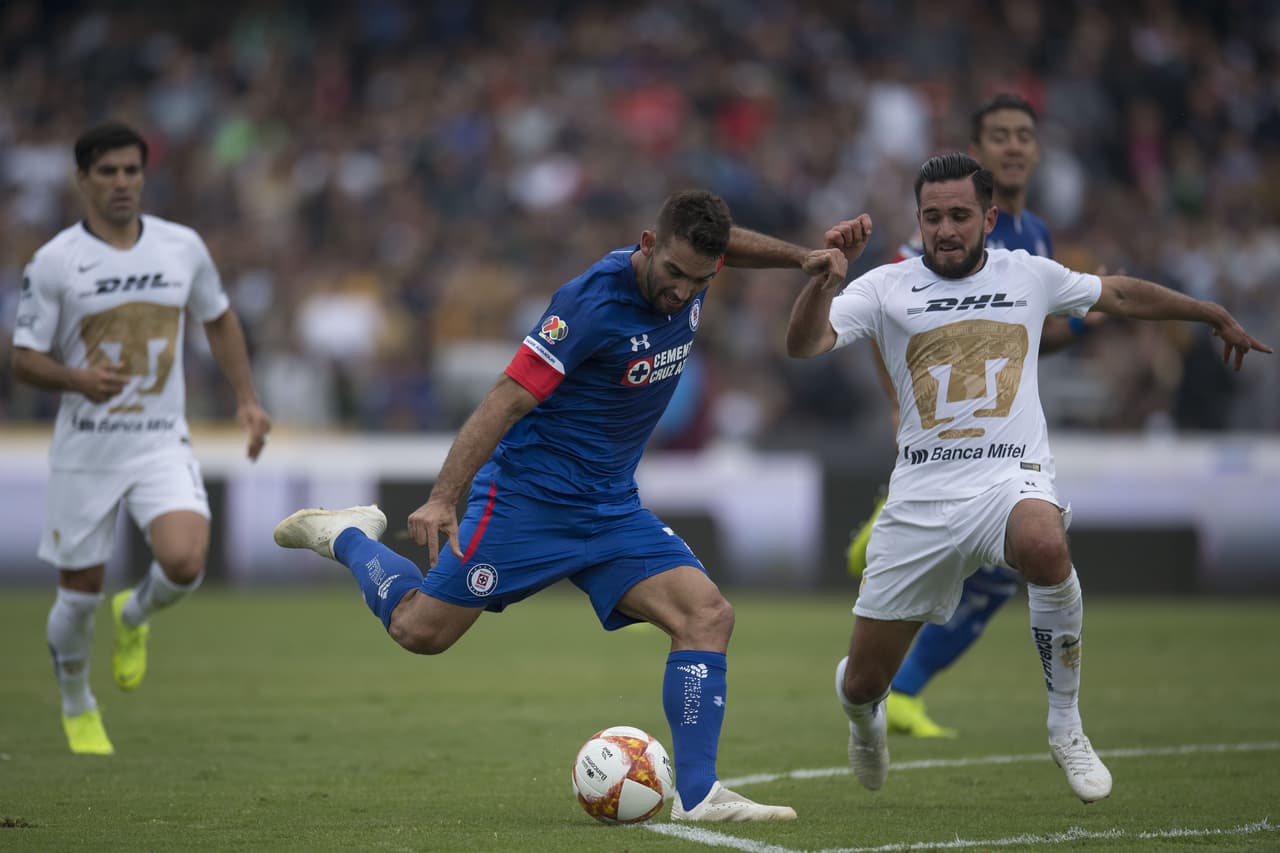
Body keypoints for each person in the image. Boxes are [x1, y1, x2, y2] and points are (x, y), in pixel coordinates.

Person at [273, 190, 839, 822]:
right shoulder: (588, 304)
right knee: (419, 632)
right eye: (674, 274)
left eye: (699, 280)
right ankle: (348, 536)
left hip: (611, 507)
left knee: (707, 617)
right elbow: (504, 399)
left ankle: (700, 795)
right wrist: (442, 498)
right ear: (647, 246)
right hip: (527, 500)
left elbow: (725, 242)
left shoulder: (695, 268)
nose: (683, 293)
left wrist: (803, 260)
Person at [787, 152, 1269, 803]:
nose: (945, 229)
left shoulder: (1030, 274)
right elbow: (803, 345)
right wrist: (824, 276)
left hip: (1007, 479)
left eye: (960, 215)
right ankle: (863, 713)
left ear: (988, 217)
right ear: (919, 220)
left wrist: (1206, 311)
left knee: (1045, 543)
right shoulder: (884, 287)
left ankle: (1066, 725)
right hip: (922, 497)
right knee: (865, 679)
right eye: (932, 217)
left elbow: (1119, 293)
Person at [12, 121, 272, 755]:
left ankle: (133, 615)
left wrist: (246, 398)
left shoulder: (181, 247)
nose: (123, 183)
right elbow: (23, 357)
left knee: (185, 563)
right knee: (77, 597)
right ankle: (78, 704)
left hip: (159, 439)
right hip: (86, 448)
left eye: (132, 170)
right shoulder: (54, 262)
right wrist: (76, 377)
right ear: (83, 181)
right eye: (108, 172)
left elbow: (218, 317)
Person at [845, 94, 1095, 738]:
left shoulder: (1033, 234)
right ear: (979, 155)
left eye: (1023, 136)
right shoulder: (948, 232)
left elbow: (1038, 333)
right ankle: (889, 528)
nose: (1013, 146)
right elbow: (887, 312)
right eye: (999, 136)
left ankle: (903, 690)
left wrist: (1094, 315)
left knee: (997, 582)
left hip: (1003, 435)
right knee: (1003, 569)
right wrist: (899, 401)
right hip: (946, 440)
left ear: (1037, 151)